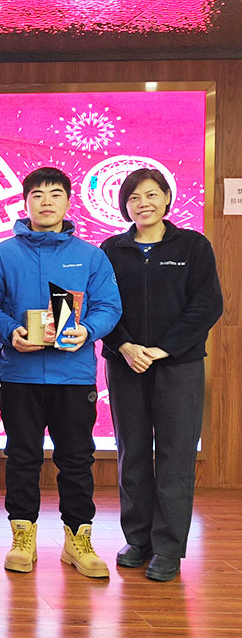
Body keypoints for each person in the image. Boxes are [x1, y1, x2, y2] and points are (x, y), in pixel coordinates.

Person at [0, 166, 122, 578]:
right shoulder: (1, 255)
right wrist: (10, 332)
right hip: (19, 375)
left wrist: (87, 330)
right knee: (21, 457)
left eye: (55, 194)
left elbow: (109, 306)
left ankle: (78, 540)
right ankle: (22, 537)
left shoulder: (91, 256)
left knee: (77, 459)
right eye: (38, 195)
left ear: (68, 201)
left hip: (73, 375)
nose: (46, 202)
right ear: (25, 202)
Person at [100, 168, 222, 582]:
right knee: (131, 452)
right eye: (134, 197)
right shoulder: (112, 249)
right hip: (126, 364)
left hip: (179, 366)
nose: (143, 204)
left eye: (152, 195)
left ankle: (168, 548)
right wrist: (125, 345)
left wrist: (163, 348)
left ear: (167, 198)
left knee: (175, 456)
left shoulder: (193, 246)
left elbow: (207, 305)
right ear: (125, 205)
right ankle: (138, 540)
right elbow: (100, 304)